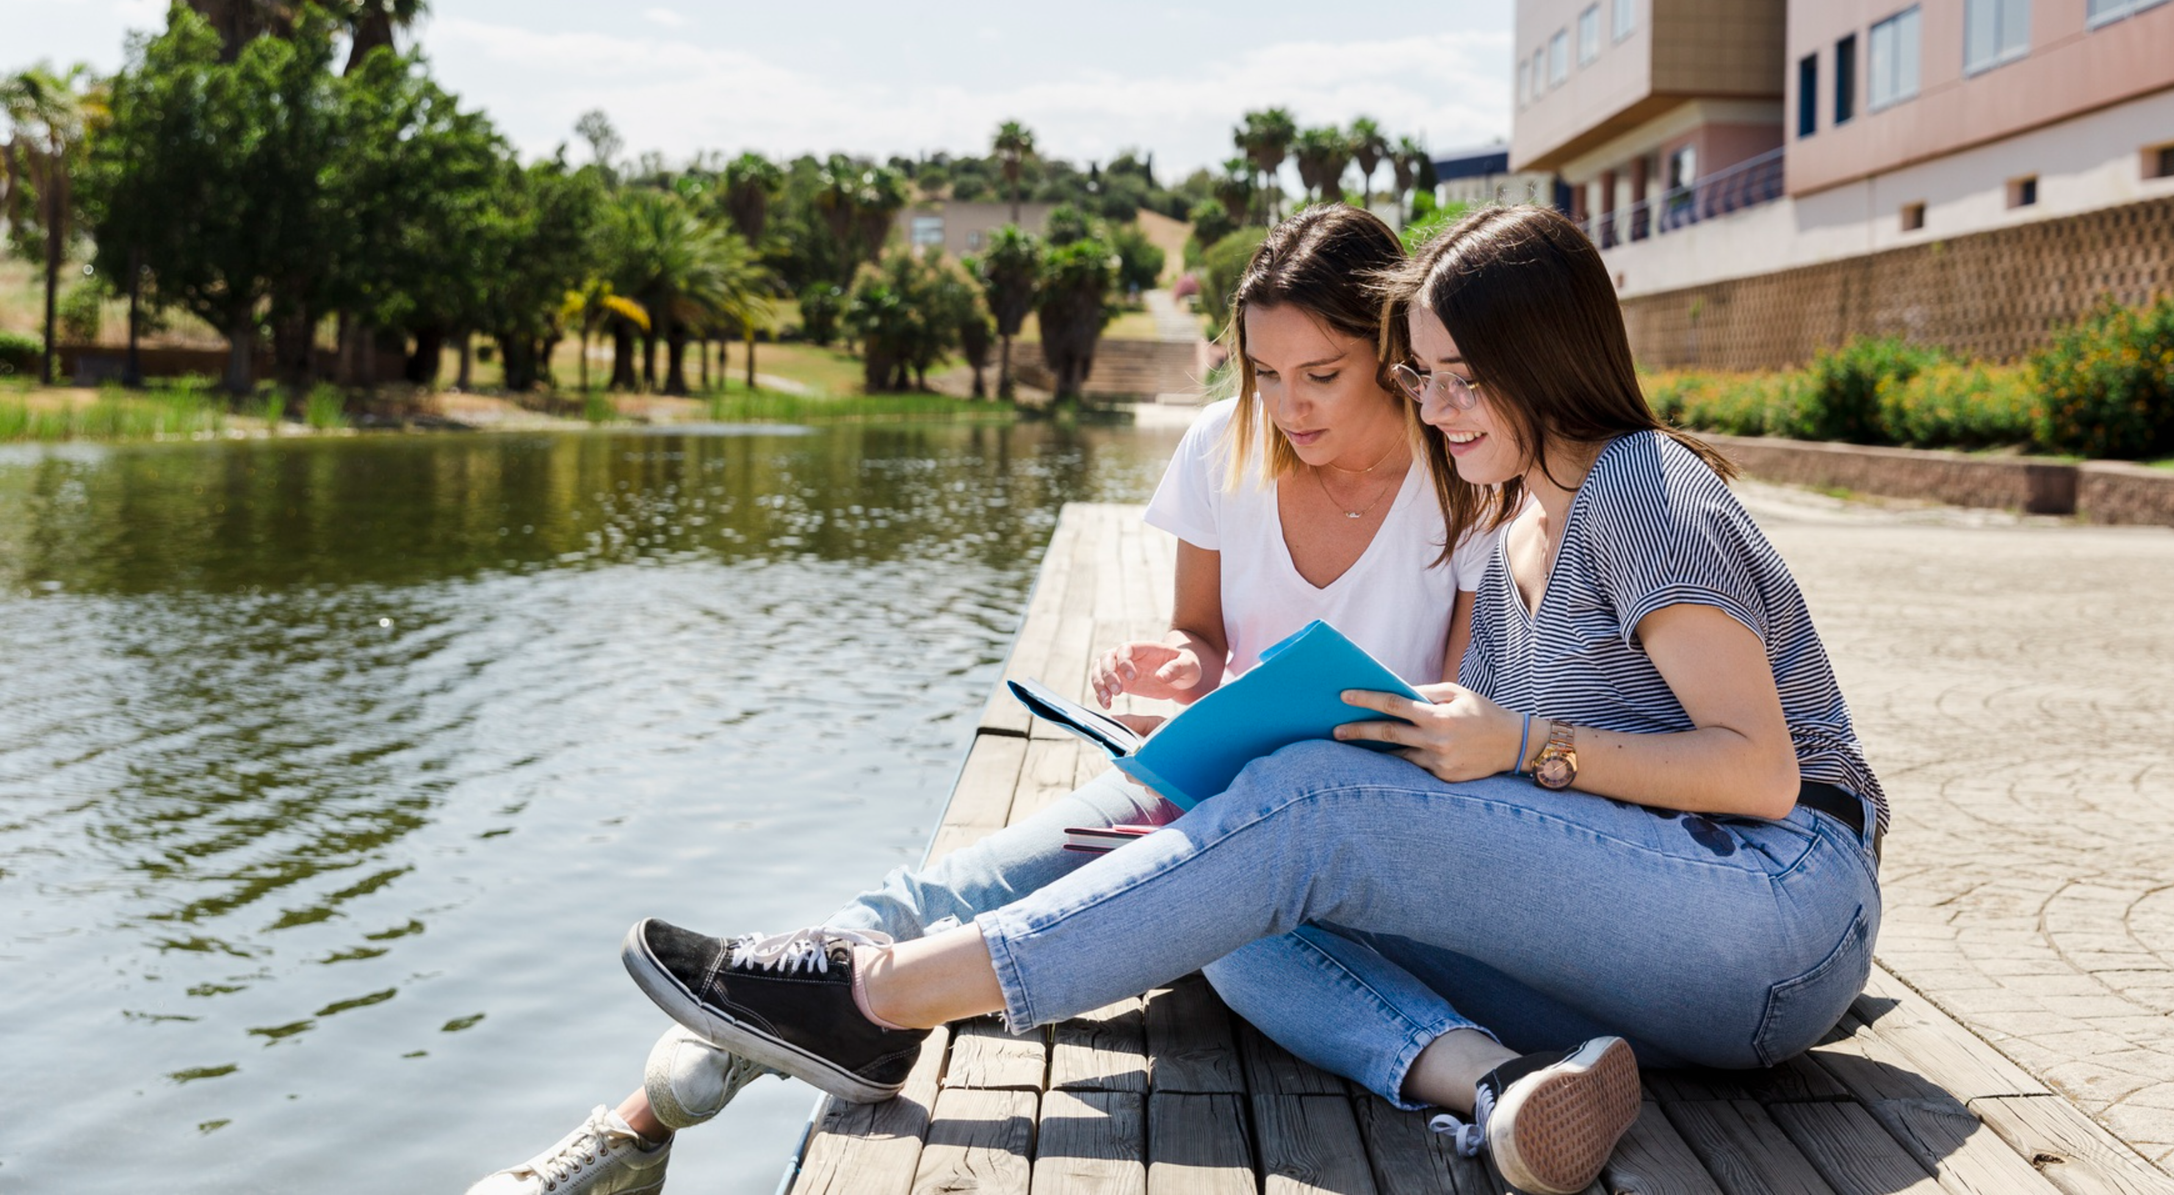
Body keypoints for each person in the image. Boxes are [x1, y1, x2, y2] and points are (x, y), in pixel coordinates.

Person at [617, 205, 1889, 1195]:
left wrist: (1509, 740)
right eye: (1424, 376)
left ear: (1542, 362)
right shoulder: (1510, 530)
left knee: (1298, 811)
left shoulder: (1639, 486)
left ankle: (875, 994)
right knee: (1237, 883)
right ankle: (1498, 1091)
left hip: (1773, 907)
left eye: (1456, 379)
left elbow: (1759, 772)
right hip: (1654, 972)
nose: (1435, 409)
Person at [466, 205, 1497, 1195]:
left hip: (1348, 834)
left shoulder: (1458, 482)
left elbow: (1462, 709)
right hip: (1199, 788)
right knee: (957, 886)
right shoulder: (1223, 448)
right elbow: (1204, 636)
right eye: (1265, 373)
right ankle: (634, 1117)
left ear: (1391, 352)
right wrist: (1175, 665)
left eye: (1321, 374)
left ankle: (686, 1081)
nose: (1288, 405)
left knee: (1224, 917)